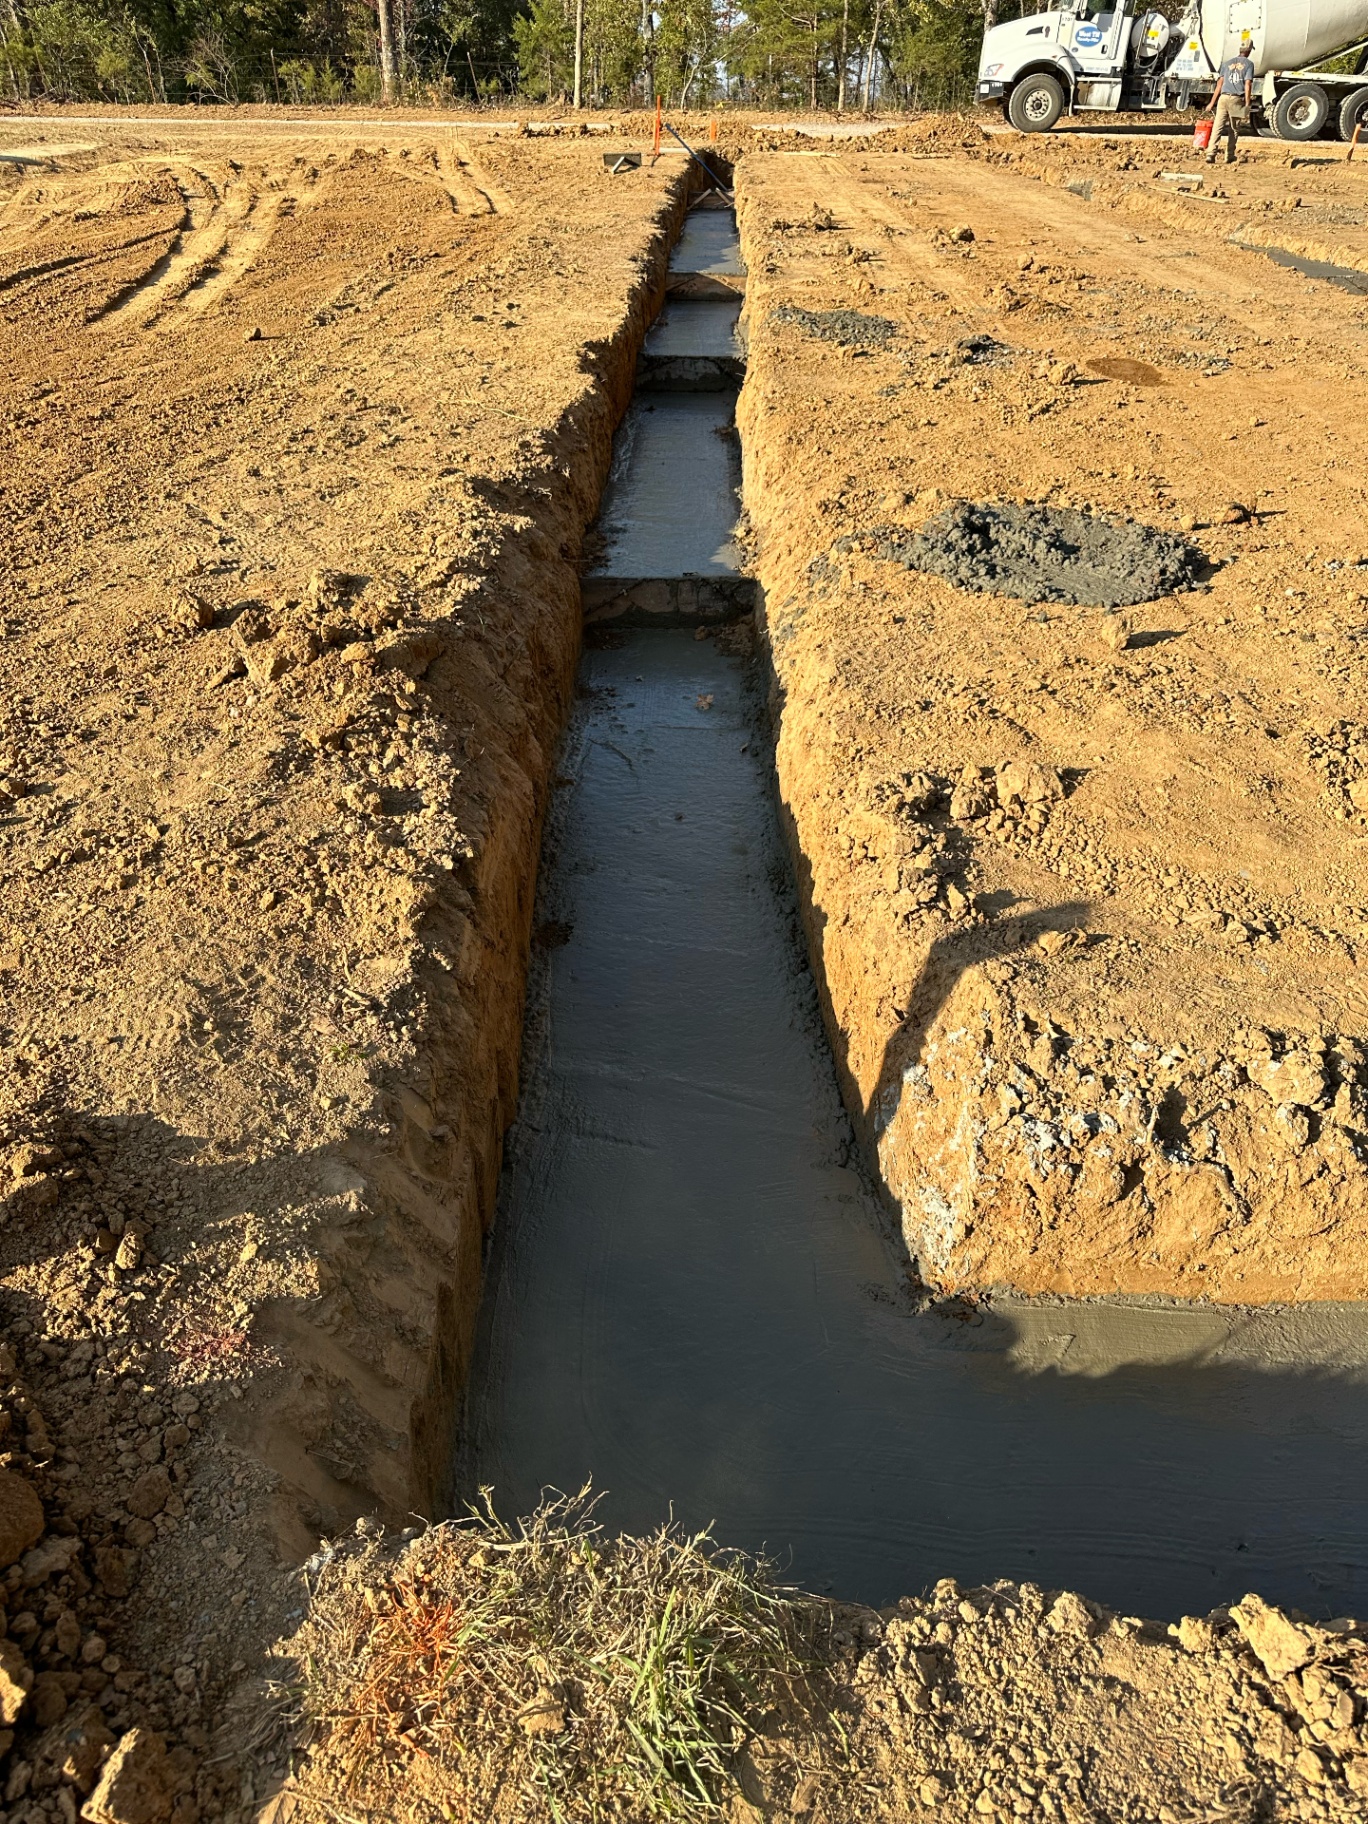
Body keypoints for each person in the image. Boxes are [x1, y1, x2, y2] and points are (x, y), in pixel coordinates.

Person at [1205, 37, 1256, 166]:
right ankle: (1229, 155)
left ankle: (1211, 153)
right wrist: (1247, 103)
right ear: (1249, 50)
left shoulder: (1227, 63)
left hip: (1223, 98)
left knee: (1217, 127)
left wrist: (1212, 102)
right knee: (1233, 129)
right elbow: (1248, 84)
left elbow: (1219, 84)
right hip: (1236, 98)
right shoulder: (1249, 64)